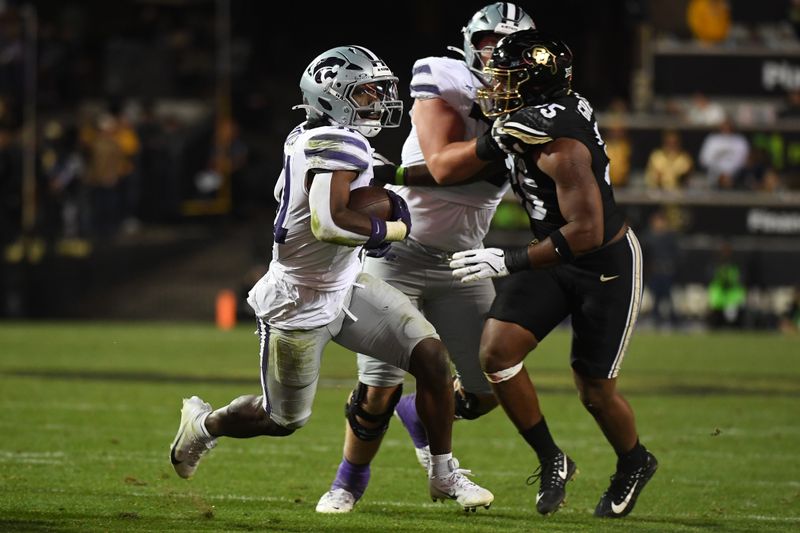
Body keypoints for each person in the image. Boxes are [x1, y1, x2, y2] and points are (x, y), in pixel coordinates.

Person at [168, 45, 493, 512]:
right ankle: (204, 426)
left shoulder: (314, 135)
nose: (377, 102)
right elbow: (330, 222)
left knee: (432, 357)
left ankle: (444, 474)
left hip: (348, 285)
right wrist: (390, 227)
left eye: (378, 92)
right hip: (299, 298)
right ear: (331, 95)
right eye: (365, 93)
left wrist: (379, 200)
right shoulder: (336, 142)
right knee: (281, 419)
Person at [316, 2, 535, 514]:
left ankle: (421, 414)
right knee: (377, 390)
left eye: (508, 45)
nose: (496, 54)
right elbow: (440, 164)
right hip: (399, 253)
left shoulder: (535, 103)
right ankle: (347, 482)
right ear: (469, 43)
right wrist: (505, 135)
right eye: (487, 43)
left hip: (464, 262)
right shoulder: (445, 75)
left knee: (487, 390)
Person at [448, 30, 658, 518]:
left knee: (595, 393)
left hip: (603, 264)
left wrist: (509, 260)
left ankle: (634, 460)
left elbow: (586, 231)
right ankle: (551, 458)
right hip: (553, 255)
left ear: (535, 84)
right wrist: (396, 175)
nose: (495, 86)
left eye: (508, 78)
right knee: (496, 353)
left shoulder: (560, 145)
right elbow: (455, 166)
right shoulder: (529, 120)